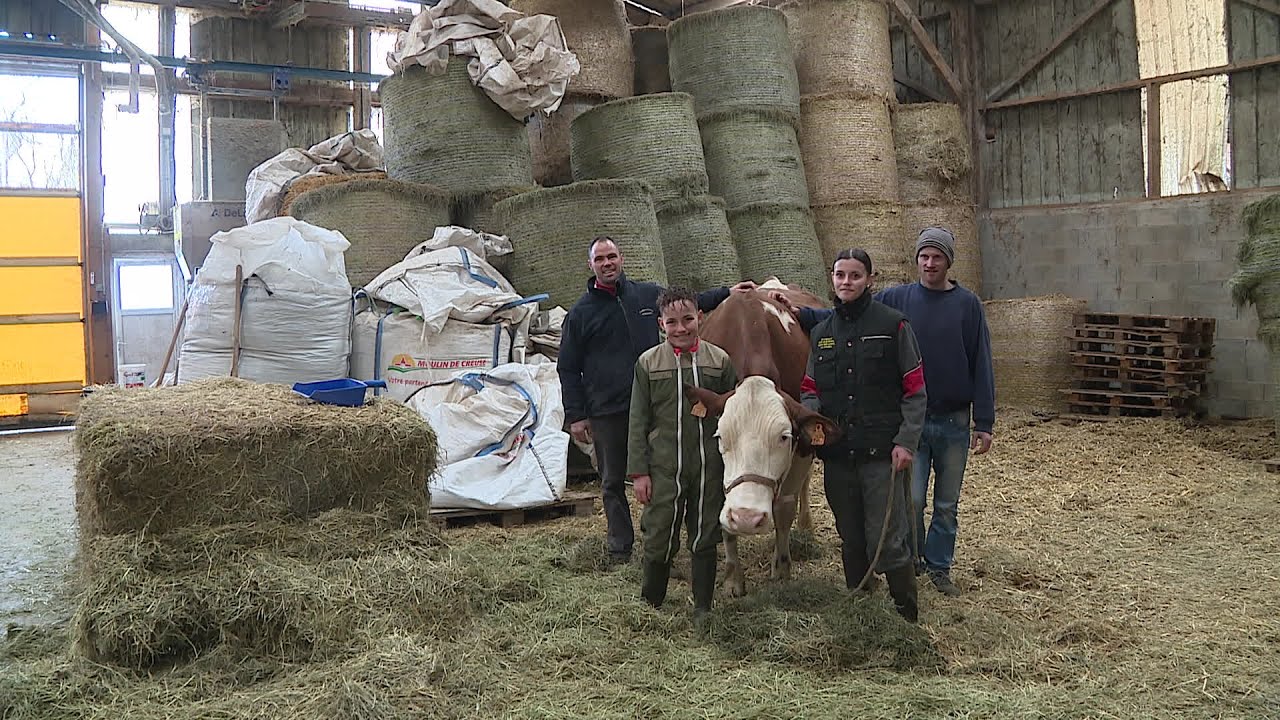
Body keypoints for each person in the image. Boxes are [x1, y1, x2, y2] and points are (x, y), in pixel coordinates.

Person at [779, 227, 995, 598]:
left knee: (944, 503)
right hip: (871, 438)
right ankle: (900, 568)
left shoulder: (950, 308)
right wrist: (795, 312)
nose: (929, 263)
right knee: (902, 506)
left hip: (936, 424)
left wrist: (984, 420)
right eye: (924, 256)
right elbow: (837, 331)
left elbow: (977, 363)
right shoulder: (887, 303)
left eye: (936, 257)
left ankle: (933, 573)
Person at [558, 236, 756, 563]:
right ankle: (621, 547)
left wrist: (728, 292)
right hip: (609, 409)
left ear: (622, 259)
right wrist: (576, 414)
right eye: (600, 259)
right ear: (590, 266)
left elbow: (688, 303)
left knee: (665, 474)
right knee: (611, 480)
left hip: (656, 404)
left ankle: (665, 543)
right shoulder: (580, 313)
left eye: (612, 257)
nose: (607, 264)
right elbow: (567, 366)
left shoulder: (646, 295)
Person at [800, 248, 927, 623]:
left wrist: (906, 441)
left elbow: (915, 390)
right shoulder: (821, 334)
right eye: (840, 276)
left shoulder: (894, 325)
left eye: (855, 276)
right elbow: (809, 389)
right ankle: (862, 614)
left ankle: (906, 617)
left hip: (881, 457)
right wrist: (813, 423)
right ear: (832, 280)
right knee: (851, 539)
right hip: (839, 458)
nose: (846, 282)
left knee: (887, 539)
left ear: (870, 279)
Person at [626, 287, 737, 619]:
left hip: (709, 465)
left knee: (705, 533)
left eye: (688, 319)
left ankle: (703, 607)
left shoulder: (719, 361)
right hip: (663, 466)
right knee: (659, 532)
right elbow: (637, 420)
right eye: (672, 322)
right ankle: (652, 605)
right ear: (661, 324)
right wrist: (639, 472)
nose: (681, 328)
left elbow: (733, 415)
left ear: (700, 318)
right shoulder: (648, 363)